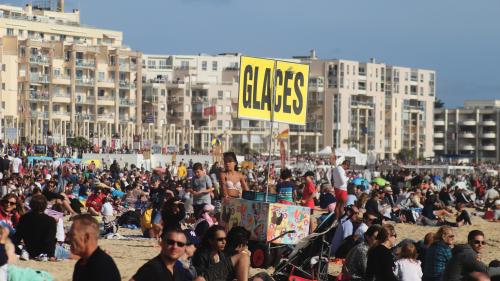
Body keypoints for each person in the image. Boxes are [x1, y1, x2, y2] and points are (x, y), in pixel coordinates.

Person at [69, 214, 121, 281]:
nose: (68, 239)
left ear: (86, 237)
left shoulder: (101, 266)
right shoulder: (81, 264)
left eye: (72, 235)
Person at [12, 195, 56, 260]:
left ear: (31, 205)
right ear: (45, 206)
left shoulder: (24, 218)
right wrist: (51, 255)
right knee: (65, 252)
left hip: (30, 249)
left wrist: (17, 251)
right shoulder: (50, 221)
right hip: (45, 252)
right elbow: (50, 240)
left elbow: (17, 236)